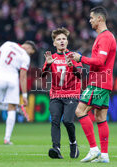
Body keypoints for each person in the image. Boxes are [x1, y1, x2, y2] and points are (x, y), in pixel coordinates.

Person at [71, 6, 117, 163]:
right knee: (100, 116)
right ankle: (104, 155)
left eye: (91, 18)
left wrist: (80, 58)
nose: (89, 20)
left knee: (80, 110)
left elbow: (100, 61)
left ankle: (93, 149)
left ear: (100, 18)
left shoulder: (105, 37)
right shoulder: (104, 37)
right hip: (104, 82)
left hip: (99, 82)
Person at [41, 27, 82, 159]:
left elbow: (80, 75)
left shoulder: (74, 56)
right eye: (58, 39)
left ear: (67, 41)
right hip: (56, 94)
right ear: (54, 43)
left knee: (68, 121)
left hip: (72, 93)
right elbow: (43, 75)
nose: (62, 41)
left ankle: (73, 144)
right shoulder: (51, 58)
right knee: (55, 121)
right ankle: (56, 149)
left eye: (64, 38)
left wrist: (72, 66)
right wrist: (47, 65)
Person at [0, 40, 36, 145]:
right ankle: (7, 139)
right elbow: (23, 76)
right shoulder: (25, 57)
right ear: (29, 48)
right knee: (12, 108)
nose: (29, 54)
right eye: (31, 52)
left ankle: (11, 108)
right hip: (13, 80)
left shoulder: (7, 44)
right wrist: (24, 95)